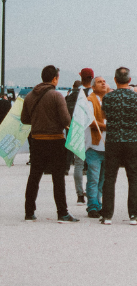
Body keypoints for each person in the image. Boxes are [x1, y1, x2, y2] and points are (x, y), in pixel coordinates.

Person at [22, 65, 78, 222]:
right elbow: (66, 120)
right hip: (55, 140)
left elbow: (24, 119)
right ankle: (62, 212)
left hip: (37, 140)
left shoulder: (30, 96)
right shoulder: (56, 96)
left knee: (34, 176)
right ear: (54, 78)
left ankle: (29, 212)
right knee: (58, 178)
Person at [98, 67, 137, 225]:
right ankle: (133, 215)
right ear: (130, 80)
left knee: (109, 178)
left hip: (113, 141)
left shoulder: (108, 97)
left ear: (115, 80)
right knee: (133, 178)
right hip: (132, 141)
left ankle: (107, 215)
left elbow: (104, 116)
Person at [65, 67, 95, 205]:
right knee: (93, 164)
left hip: (77, 131)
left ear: (81, 77)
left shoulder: (72, 95)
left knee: (78, 164)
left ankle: (79, 195)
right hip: (92, 132)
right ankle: (92, 193)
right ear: (92, 78)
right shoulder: (94, 94)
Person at [84, 75, 108, 218]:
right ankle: (92, 206)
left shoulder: (107, 100)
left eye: (104, 81)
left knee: (102, 179)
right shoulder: (90, 101)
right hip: (94, 146)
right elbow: (91, 122)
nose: (103, 84)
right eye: (99, 82)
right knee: (93, 178)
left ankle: (98, 204)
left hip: (107, 146)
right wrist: (107, 127)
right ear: (93, 87)